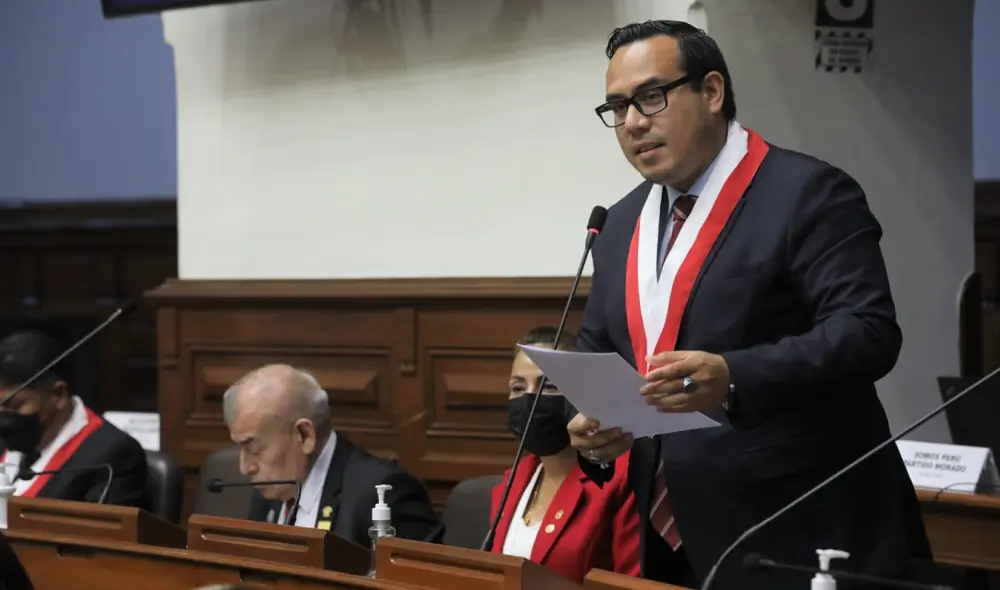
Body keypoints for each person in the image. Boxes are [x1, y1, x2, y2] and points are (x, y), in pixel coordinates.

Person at [567, 20, 931, 590]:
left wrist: (734, 375)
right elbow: (599, 350)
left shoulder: (807, 193)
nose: (634, 121)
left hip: (799, 530)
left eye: (652, 96)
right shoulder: (618, 225)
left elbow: (867, 333)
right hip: (666, 538)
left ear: (712, 92)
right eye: (617, 107)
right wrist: (592, 430)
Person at [224, 364, 443, 545]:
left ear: (305, 435)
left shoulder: (382, 495)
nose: (245, 467)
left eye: (254, 449)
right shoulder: (271, 492)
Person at [490, 327, 640, 582]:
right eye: (517, 388)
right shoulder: (513, 481)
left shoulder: (620, 481)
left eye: (548, 386)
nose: (529, 400)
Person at [0, 330, 149, 508]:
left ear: (58, 394)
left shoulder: (112, 457)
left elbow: (102, 533)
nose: (3, 415)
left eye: (13, 405)